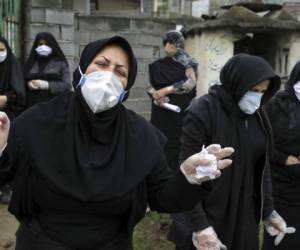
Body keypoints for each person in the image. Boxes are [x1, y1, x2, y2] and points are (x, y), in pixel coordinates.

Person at [0, 36, 234, 250]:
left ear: (127, 87)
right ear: (81, 70)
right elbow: (5, 173)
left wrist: (186, 178)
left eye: (120, 72)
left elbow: (163, 198)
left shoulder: (141, 136)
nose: (108, 76)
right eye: (101, 65)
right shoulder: (37, 121)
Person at [168, 54, 294, 250]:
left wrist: (268, 211)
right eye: (253, 90)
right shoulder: (203, 112)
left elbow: (262, 166)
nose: (257, 97)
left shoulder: (258, 116)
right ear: (236, 83)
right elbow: (186, 175)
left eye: (262, 92)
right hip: (208, 210)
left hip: (244, 213)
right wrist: (200, 226)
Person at [262, 61, 300, 250]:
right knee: (283, 238)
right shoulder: (275, 106)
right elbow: (261, 143)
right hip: (281, 186)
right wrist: (283, 158)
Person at [148, 29, 198, 170]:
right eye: (167, 42)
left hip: (180, 113)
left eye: (173, 43)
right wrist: (155, 95)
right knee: (159, 143)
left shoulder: (189, 64)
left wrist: (165, 90)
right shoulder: (156, 65)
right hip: (161, 112)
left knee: (178, 146)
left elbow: (190, 83)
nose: (169, 46)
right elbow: (149, 86)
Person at [0, 36, 25, 204]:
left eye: (1, 50)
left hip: (9, 114)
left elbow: (19, 93)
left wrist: (6, 98)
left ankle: (7, 186)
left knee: (7, 151)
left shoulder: (13, 66)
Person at [23, 32, 71, 108]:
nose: (43, 47)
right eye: (40, 44)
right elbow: (21, 82)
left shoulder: (60, 63)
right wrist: (28, 84)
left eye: (46, 44)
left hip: (54, 105)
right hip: (31, 105)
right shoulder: (30, 63)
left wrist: (47, 85)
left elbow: (67, 85)